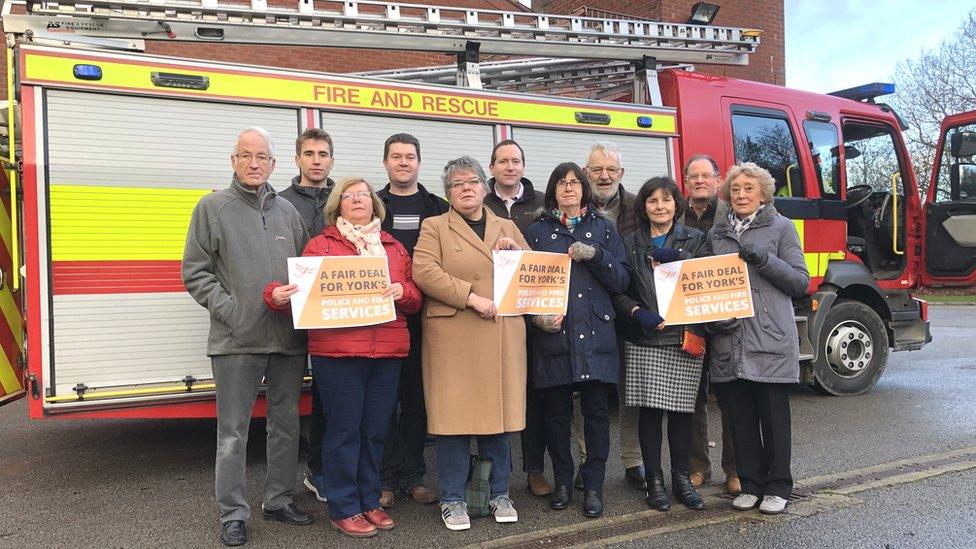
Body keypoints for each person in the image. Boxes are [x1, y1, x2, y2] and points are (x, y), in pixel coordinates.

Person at [266, 176, 422, 537]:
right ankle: (344, 506)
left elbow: (415, 299)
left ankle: (369, 500)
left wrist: (403, 291)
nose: (357, 200)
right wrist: (275, 294)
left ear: (374, 204)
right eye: (349, 196)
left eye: (364, 195)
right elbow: (301, 295)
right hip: (337, 355)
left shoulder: (394, 247)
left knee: (374, 432)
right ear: (337, 204)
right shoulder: (320, 246)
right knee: (343, 432)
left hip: (386, 353)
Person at [182, 127, 312, 547]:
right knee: (234, 432)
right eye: (246, 156)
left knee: (285, 425)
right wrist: (232, 312)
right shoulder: (212, 207)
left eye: (262, 157)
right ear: (233, 160)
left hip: (289, 341)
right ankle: (233, 514)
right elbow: (196, 272)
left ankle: (278, 499)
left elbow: (305, 272)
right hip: (237, 340)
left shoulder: (287, 213)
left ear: (275, 164)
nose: (254, 163)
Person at [412, 156, 529, 531]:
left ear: (484, 186)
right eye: (457, 183)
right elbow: (424, 271)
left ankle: (499, 493)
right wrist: (471, 297)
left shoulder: (506, 225)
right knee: (454, 424)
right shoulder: (434, 226)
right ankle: (452, 499)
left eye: (472, 181)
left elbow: (533, 275)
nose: (466, 188)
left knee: (498, 421)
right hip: (454, 338)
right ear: (448, 193)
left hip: (500, 336)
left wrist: (517, 254)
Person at [523, 162, 629, 518]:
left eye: (574, 183)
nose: (568, 188)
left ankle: (594, 486)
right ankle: (564, 483)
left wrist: (596, 255)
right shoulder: (536, 231)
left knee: (596, 414)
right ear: (552, 190)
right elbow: (522, 286)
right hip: (553, 334)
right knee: (555, 415)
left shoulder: (604, 228)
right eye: (561, 183)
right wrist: (534, 317)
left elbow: (622, 281)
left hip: (596, 333)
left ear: (584, 189)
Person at [706, 162, 809, 515]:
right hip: (730, 338)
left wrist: (763, 259)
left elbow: (800, 282)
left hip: (769, 336)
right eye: (735, 189)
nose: (741, 195)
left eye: (749, 188)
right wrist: (715, 320)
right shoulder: (717, 235)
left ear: (763, 194)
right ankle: (750, 483)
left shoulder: (782, 228)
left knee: (774, 417)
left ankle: (779, 485)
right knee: (740, 417)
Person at [612, 176, 710, 513]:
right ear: (644, 207)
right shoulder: (629, 242)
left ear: (676, 205)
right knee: (650, 414)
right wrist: (636, 312)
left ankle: (681, 480)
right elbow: (618, 290)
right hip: (645, 337)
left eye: (666, 200)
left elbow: (707, 280)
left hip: (684, 336)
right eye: (653, 201)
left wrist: (679, 257)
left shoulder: (695, 239)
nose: (660, 207)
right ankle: (654, 481)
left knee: (683, 412)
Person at [376, 133, 448, 508]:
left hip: (427, 319)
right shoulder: (371, 205)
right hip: (380, 320)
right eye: (396, 157)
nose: (403, 163)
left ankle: (415, 475)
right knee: (386, 402)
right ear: (385, 162)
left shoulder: (438, 206)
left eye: (409, 157)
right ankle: (386, 479)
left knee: (417, 402)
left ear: (419, 163)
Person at [483, 139, 552, 499]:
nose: (509, 167)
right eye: (502, 161)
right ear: (491, 167)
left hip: (531, 312)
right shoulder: (479, 202)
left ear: (523, 166)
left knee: (533, 396)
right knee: (491, 396)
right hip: (489, 315)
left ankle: (534, 470)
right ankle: (491, 474)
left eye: (516, 161)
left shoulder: (543, 203)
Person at [577, 142, 644, 492]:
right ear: (586, 173)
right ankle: (588, 461)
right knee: (589, 392)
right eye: (596, 169)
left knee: (629, 390)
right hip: (587, 314)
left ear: (621, 174)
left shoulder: (640, 206)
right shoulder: (572, 207)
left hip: (630, 310)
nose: (604, 176)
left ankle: (632, 461)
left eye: (611, 170)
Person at [277, 127, 336, 504]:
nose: (316, 160)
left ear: (332, 159)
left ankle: (324, 470)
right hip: (293, 317)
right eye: (309, 154)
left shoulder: (344, 198)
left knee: (329, 396)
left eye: (323, 154)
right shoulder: (278, 202)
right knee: (290, 404)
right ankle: (292, 483)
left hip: (337, 316)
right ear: (297, 158)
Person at [680, 153, 739, 496]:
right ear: (685, 182)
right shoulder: (676, 215)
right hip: (689, 321)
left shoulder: (731, 217)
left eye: (706, 175)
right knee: (692, 398)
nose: (699, 181)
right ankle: (697, 466)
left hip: (725, 319)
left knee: (730, 398)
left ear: (718, 181)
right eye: (693, 176)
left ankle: (735, 469)